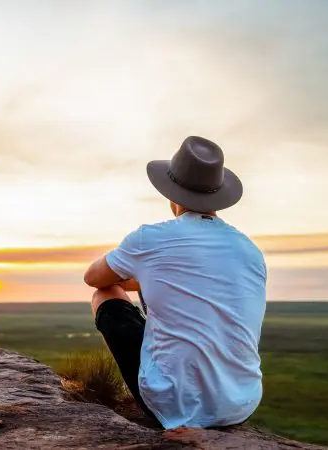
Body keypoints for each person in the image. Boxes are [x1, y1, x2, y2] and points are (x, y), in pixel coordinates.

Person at [83, 136, 267, 429]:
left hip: (176, 405)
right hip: (241, 403)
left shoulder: (149, 238)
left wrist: (139, 273)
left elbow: (93, 278)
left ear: (172, 194)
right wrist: (152, 280)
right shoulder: (250, 250)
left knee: (105, 294)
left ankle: (144, 386)